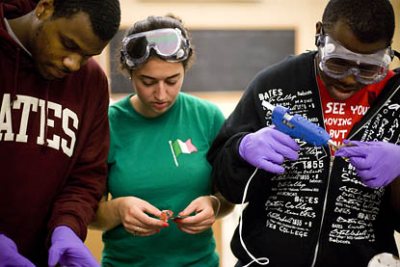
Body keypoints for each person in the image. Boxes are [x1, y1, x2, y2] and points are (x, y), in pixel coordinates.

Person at [207, 0, 400, 266]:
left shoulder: (396, 99)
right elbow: (225, 186)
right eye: (338, 62)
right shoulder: (275, 85)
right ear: (320, 34)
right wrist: (241, 149)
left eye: (368, 68)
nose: (349, 79)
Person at [89, 14, 234, 267]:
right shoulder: (107, 124)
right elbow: (90, 214)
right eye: (148, 82)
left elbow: (227, 198)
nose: (161, 94)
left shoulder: (208, 118)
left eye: (172, 80)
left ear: (184, 70)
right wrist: (119, 209)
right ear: (130, 74)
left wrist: (213, 204)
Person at [0, 0, 120, 266]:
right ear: (44, 8)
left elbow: (85, 177)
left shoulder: (91, 83)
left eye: (87, 55)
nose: (73, 64)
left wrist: (66, 228)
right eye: (69, 44)